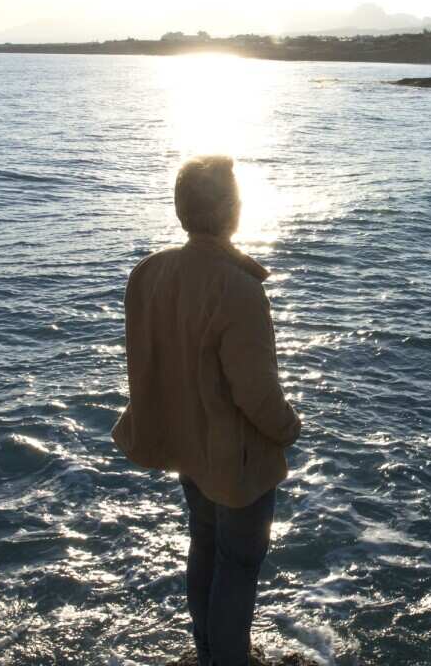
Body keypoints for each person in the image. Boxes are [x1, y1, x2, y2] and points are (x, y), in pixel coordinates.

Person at [112, 155, 302, 666]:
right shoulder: (237, 287)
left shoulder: (150, 272)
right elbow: (256, 394)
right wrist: (289, 427)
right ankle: (229, 659)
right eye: (237, 195)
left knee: (204, 547)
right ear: (230, 210)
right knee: (238, 565)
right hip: (236, 462)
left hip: (189, 451)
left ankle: (209, 652)